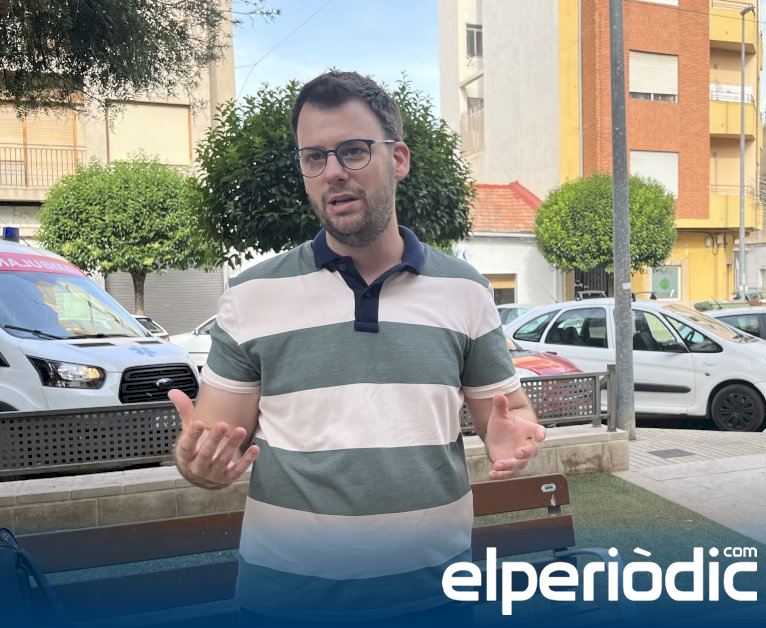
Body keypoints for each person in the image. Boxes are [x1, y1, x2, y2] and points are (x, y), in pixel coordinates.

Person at [167, 71, 546, 625]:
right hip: (287, 604)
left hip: (435, 599)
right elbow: (214, 443)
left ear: (399, 159)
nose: (333, 172)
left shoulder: (464, 290)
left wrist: (509, 435)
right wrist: (197, 463)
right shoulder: (251, 296)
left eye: (353, 150)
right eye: (314, 157)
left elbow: (510, 413)